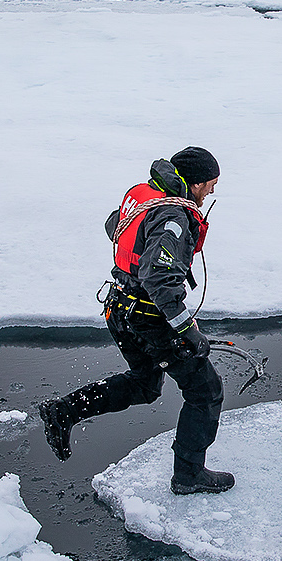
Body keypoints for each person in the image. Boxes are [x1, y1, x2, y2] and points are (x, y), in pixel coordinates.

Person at [36, 146, 234, 494]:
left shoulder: (145, 196)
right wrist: (186, 329)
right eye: (211, 184)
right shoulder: (173, 215)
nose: (213, 191)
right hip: (149, 318)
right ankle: (189, 475)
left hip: (119, 309)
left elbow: (115, 223)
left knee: (145, 384)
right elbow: (158, 277)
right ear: (197, 182)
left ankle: (63, 411)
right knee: (205, 391)